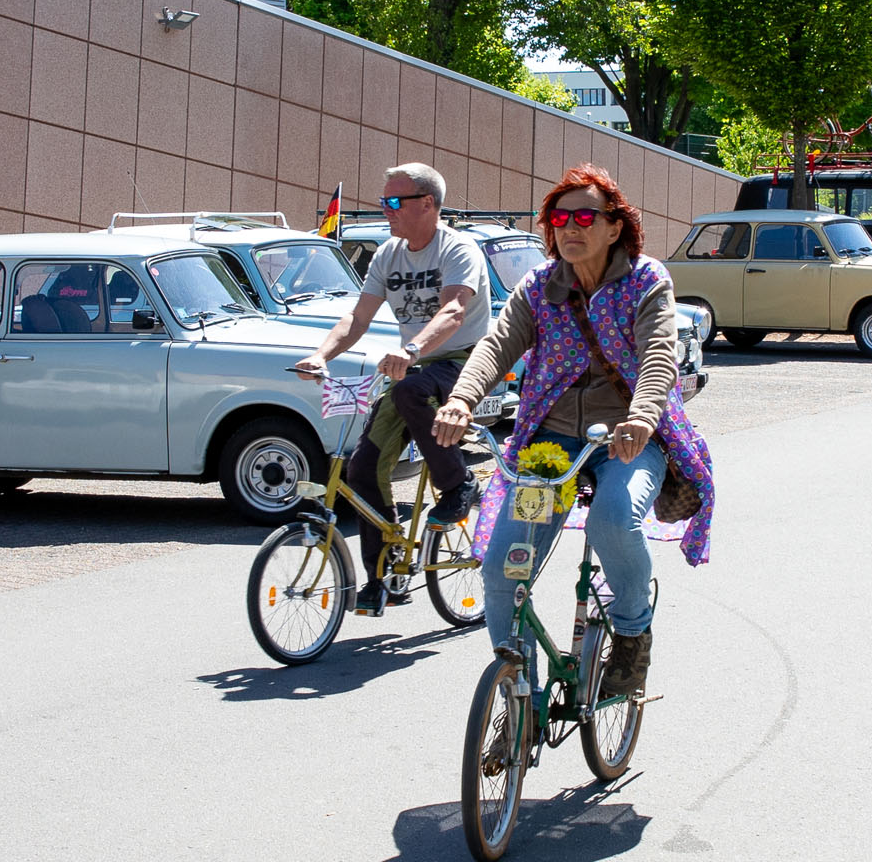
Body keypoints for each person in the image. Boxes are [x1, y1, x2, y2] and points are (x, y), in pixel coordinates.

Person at [432, 164, 712, 697]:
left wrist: (640, 417)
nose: (570, 227)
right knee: (502, 572)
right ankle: (519, 695)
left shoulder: (647, 281)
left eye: (585, 216)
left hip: (628, 438)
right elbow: (497, 344)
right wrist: (462, 400)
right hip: (551, 443)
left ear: (615, 227)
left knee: (614, 520)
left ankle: (631, 632)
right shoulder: (539, 286)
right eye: (560, 217)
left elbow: (658, 355)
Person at [293, 163, 491, 617]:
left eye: (395, 201)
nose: (386, 209)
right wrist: (321, 355)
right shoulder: (388, 254)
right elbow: (357, 318)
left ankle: (458, 484)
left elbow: (455, 311)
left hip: (464, 362)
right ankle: (380, 575)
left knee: (411, 389)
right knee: (361, 471)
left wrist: (413, 347)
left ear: (427, 204)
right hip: (415, 366)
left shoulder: (457, 250)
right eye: (384, 201)